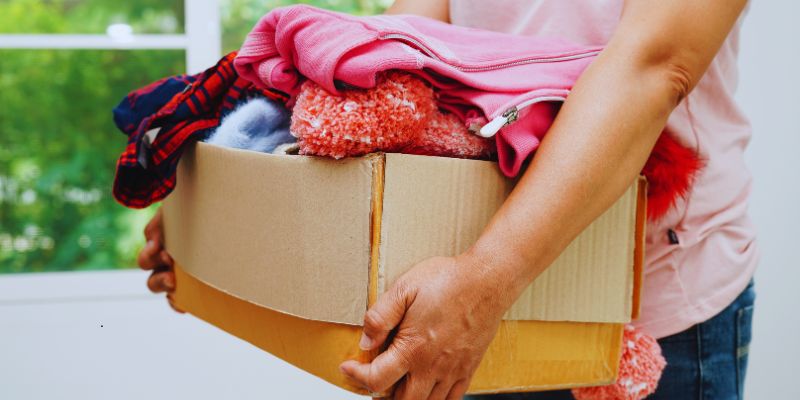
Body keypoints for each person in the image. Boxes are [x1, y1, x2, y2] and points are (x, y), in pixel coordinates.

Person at [138, 0, 758, 399]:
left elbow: (656, 66)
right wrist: (220, 213)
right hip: (458, 293)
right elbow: (410, 49)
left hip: (641, 300)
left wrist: (488, 277)